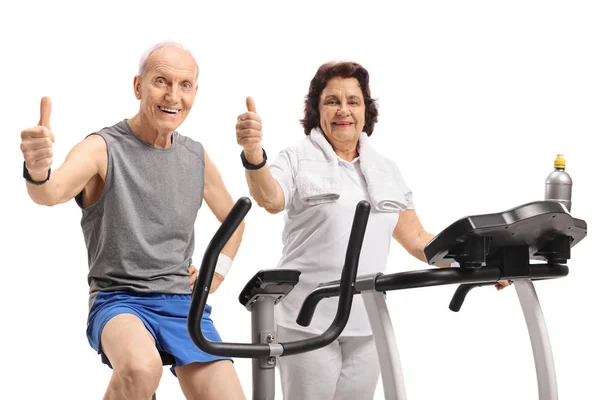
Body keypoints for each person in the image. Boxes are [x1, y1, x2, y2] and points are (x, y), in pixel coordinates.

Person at [235, 61, 510, 399]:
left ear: (366, 110)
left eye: (353, 101)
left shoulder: (385, 170)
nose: (343, 110)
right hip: (307, 319)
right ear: (316, 110)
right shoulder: (296, 158)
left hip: (367, 323)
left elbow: (419, 240)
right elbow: (270, 198)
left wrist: (479, 265)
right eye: (332, 101)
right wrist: (252, 154)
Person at [20, 42, 247, 400]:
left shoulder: (196, 156)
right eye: (161, 81)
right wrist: (37, 170)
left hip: (182, 305)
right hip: (119, 301)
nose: (173, 96)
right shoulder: (102, 147)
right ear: (138, 86)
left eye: (185, 85)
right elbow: (50, 192)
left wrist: (214, 274)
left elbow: (235, 220)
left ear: (195, 92)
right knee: (142, 368)